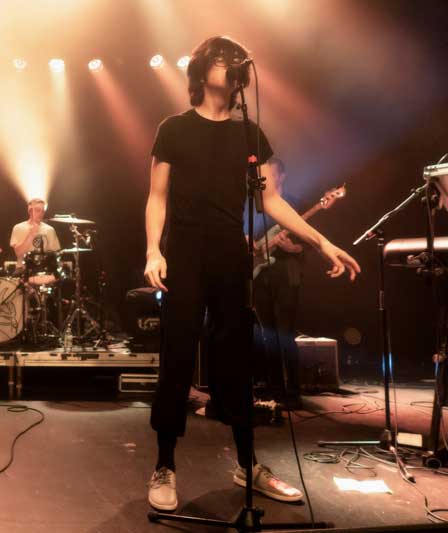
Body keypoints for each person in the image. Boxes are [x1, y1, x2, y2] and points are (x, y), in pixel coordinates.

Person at [143, 36, 360, 511]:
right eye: (222, 59)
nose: (233, 65)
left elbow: (271, 201)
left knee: (236, 359)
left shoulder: (250, 135)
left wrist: (322, 241)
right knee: (177, 355)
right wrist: (152, 251)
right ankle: (164, 464)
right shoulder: (173, 129)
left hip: (229, 255)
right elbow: (156, 195)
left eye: (236, 60)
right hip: (184, 252)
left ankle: (247, 462)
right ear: (201, 72)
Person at [252, 158, 305, 407]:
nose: (265, 180)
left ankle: (293, 392)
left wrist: (292, 247)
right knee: (267, 335)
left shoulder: (294, 204)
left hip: (286, 275)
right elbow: (247, 235)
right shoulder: (255, 206)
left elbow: (307, 244)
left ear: (281, 177)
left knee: (285, 334)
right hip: (261, 276)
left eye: (270, 175)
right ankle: (273, 389)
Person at [10, 198, 61, 283]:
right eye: (38, 210)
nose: (41, 214)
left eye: (42, 211)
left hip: (44, 272)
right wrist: (31, 234)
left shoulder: (49, 230)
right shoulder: (18, 228)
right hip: (23, 272)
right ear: (30, 211)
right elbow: (18, 253)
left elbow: (55, 255)